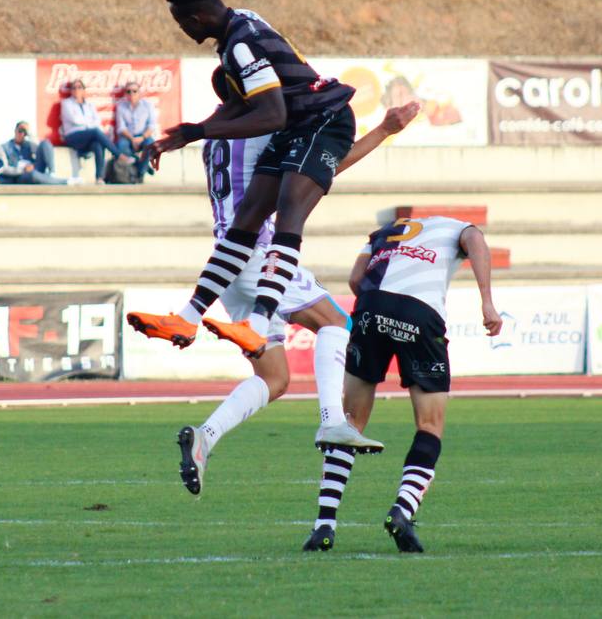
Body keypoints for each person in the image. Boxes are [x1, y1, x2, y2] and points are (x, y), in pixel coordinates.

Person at [171, 82, 421, 500]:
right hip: (259, 250)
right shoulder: (264, 126)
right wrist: (382, 131)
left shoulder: (214, 136)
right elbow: (322, 165)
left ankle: (205, 437)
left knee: (274, 377)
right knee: (337, 321)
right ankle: (331, 419)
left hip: (226, 255)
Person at [128, 0, 359, 361]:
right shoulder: (243, 23)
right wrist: (187, 132)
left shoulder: (240, 46)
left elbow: (271, 114)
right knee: (248, 218)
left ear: (194, 18)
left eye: (179, 22)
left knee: (288, 212)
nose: (182, 29)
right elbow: (243, 105)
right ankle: (188, 317)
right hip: (299, 126)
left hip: (326, 121)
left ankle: (258, 323)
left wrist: (198, 131)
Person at [303, 215, 502, 554]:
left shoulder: (386, 230)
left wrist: (376, 314)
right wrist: (487, 301)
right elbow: (477, 242)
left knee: (349, 422)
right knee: (430, 424)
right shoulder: (457, 226)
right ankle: (402, 512)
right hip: (419, 314)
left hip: (370, 308)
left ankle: (324, 525)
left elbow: (356, 278)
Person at [59, 80, 121, 183]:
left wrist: (89, 126)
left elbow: (97, 120)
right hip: (73, 136)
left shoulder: (89, 104)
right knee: (96, 132)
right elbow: (75, 120)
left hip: (88, 136)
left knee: (97, 145)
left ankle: (99, 177)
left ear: (84, 90)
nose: (76, 90)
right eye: (74, 88)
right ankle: (118, 154)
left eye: (79, 87)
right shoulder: (66, 103)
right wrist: (89, 125)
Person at [1, 121, 71, 185]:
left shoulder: (29, 145)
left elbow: (41, 148)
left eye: (25, 132)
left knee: (45, 143)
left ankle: (52, 173)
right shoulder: (5, 147)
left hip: (35, 169)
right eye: (20, 131)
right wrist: (22, 170)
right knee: (32, 174)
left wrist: (30, 134)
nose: (22, 134)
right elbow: (3, 168)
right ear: (15, 131)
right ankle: (65, 182)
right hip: (20, 174)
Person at [115, 81, 159, 180]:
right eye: (128, 91)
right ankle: (142, 164)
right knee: (120, 146)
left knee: (150, 144)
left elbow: (152, 126)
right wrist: (132, 139)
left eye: (134, 91)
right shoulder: (121, 106)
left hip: (143, 136)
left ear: (139, 93)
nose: (131, 94)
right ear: (125, 94)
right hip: (128, 136)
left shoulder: (148, 105)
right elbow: (121, 127)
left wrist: (142, 137)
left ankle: (140, 173)